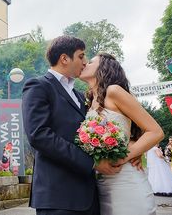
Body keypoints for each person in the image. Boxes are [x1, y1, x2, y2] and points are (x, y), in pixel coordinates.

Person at [22, 36, 122, 215]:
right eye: (81, 56)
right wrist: (92, 163)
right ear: (64, 58)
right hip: (59, 198)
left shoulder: (79, 95)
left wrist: (127, 151)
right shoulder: (38, 86)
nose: (85, 62)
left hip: (90, 195)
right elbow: (39, 135)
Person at [78, 52, 164, 215]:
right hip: (102, 184)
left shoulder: (114, 91)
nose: (85, 64)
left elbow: (155, 131)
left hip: (126, 181)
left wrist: (124, 156)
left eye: (90, 62)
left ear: (104, 67)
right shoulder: (90, 101)